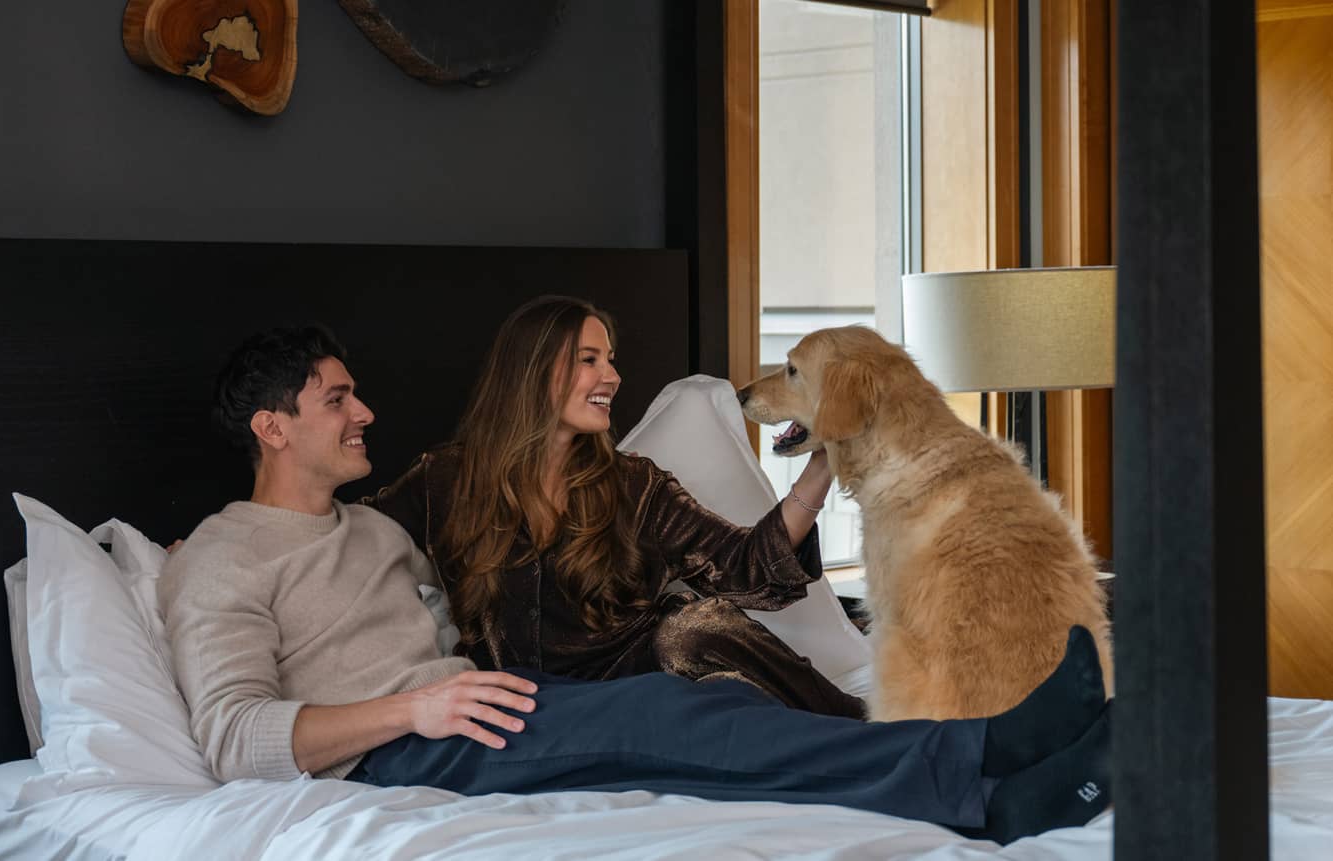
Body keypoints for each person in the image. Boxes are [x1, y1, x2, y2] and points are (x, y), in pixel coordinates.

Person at [158, 324, 1114, 845]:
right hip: (408, 746)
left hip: (488, 710)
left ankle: (995, 791)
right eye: (337, 400)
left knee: (700, 726)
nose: (365, 411)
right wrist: (415, 708)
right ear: (272, 429)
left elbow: (740, 566)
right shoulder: (222, 557)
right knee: (677, 721)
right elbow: (235, 737)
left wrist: (824, 467)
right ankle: (985, 752)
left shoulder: (374, 527)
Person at [366, 296, 863, 717]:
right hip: (516, 712)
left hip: (632, 699)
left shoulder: (635, 486)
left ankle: (854, 724)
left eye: (610, 359)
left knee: (692, 631)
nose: (614, 377)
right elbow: (349, 541)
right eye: (590, 360)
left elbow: (746, 567)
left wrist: (822, 465)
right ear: (532, 370)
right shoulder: (444, 480)